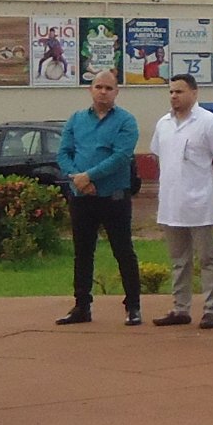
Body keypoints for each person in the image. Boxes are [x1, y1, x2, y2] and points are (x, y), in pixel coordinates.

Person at [55, 71, 142, 327]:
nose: (103, 92)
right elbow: (63, 153)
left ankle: (133, 307)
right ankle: (81, 306)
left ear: (117, 92)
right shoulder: (76, 119)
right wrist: (77, 179)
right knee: (82, 253)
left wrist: (89, 176)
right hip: (82, 197)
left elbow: (121, 156)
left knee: (123, 251)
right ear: (90, 89)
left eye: (108, 88)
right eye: (98, 87)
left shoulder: (126, 121)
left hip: (114, 197)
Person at [149, 74, 213, 328]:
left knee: (207, 259)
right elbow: (157, 157)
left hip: (200, 204)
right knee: (179, 261)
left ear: (194, 93)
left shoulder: (208, 123)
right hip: (171, 204)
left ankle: (210, 310)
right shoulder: (163, 123)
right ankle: (180, 308)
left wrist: (200, 176)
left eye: (180, 91)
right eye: (171, 92)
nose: (174, 96)